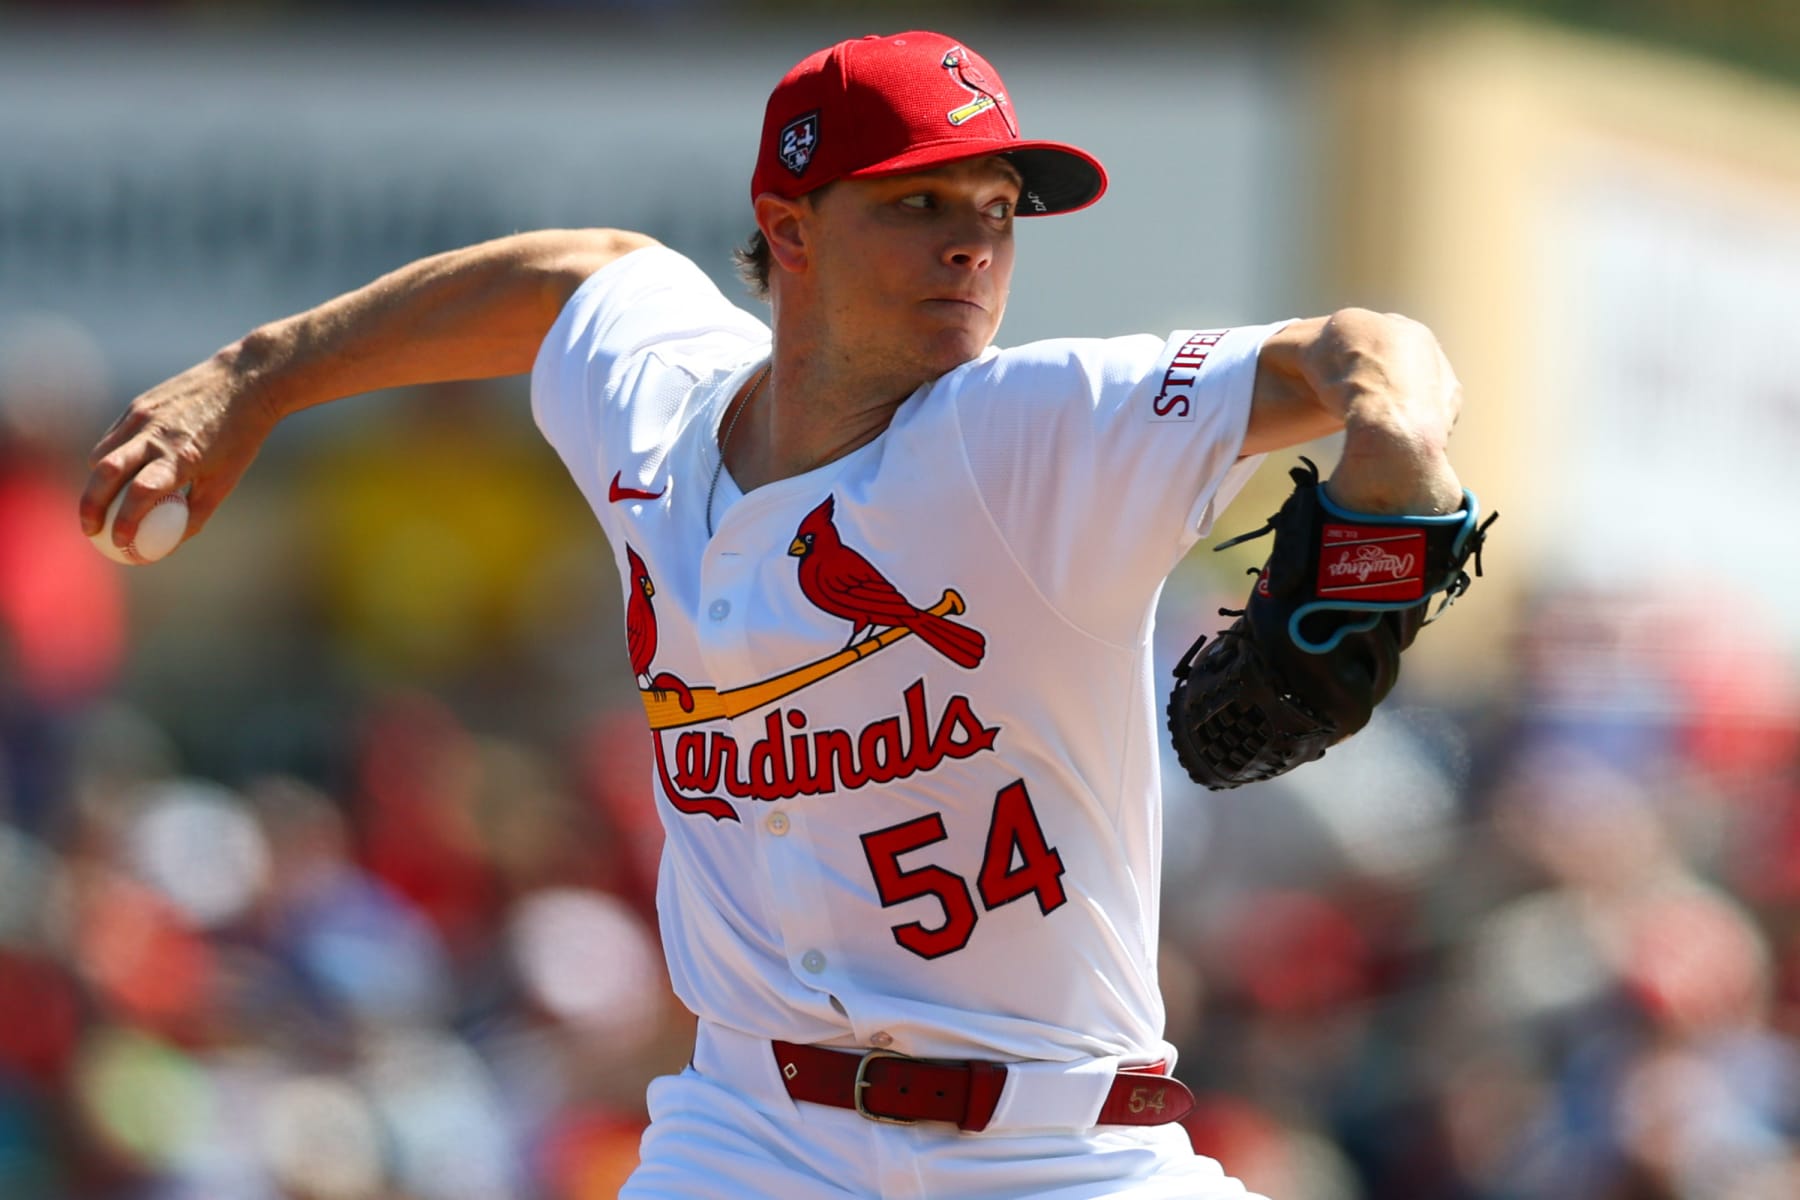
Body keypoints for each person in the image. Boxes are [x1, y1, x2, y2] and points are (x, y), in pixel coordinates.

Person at [82, 30, 1466, 1200]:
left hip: (1057, 1151)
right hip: (748, 1133)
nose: (971, 246)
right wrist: (258, 376)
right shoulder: (667, 405)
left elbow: (1363, 347)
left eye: (994, 210)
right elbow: (571, 277)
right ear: (789, 229)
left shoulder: (1037, 429)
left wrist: (1397, 440)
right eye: (919, 206)